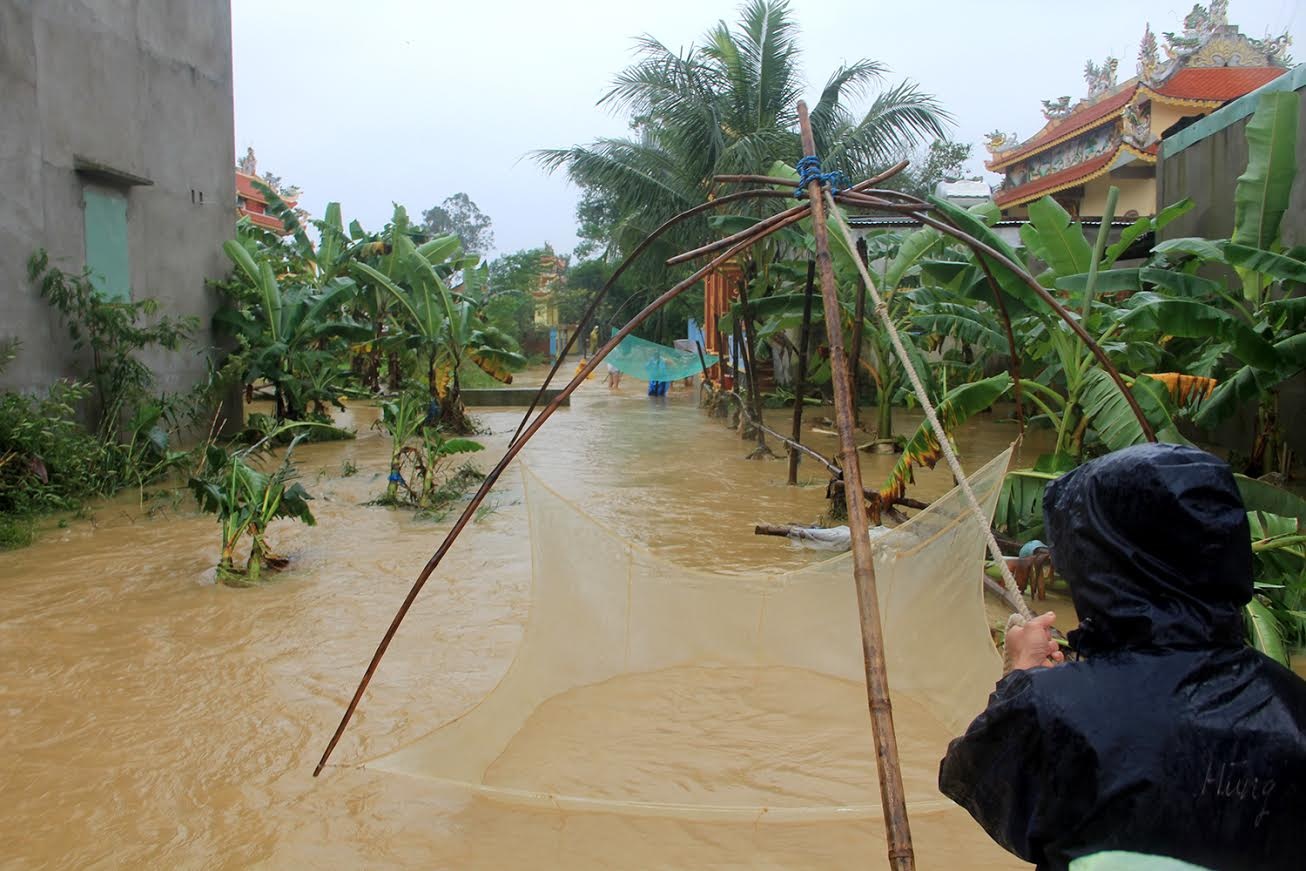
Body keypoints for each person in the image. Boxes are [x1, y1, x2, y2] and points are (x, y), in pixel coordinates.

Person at [939, 442, 1306, 871]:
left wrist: (1018, 675)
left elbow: (971, 780)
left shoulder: (1050, 708)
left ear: (1098, 566)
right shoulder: (1294, 709)